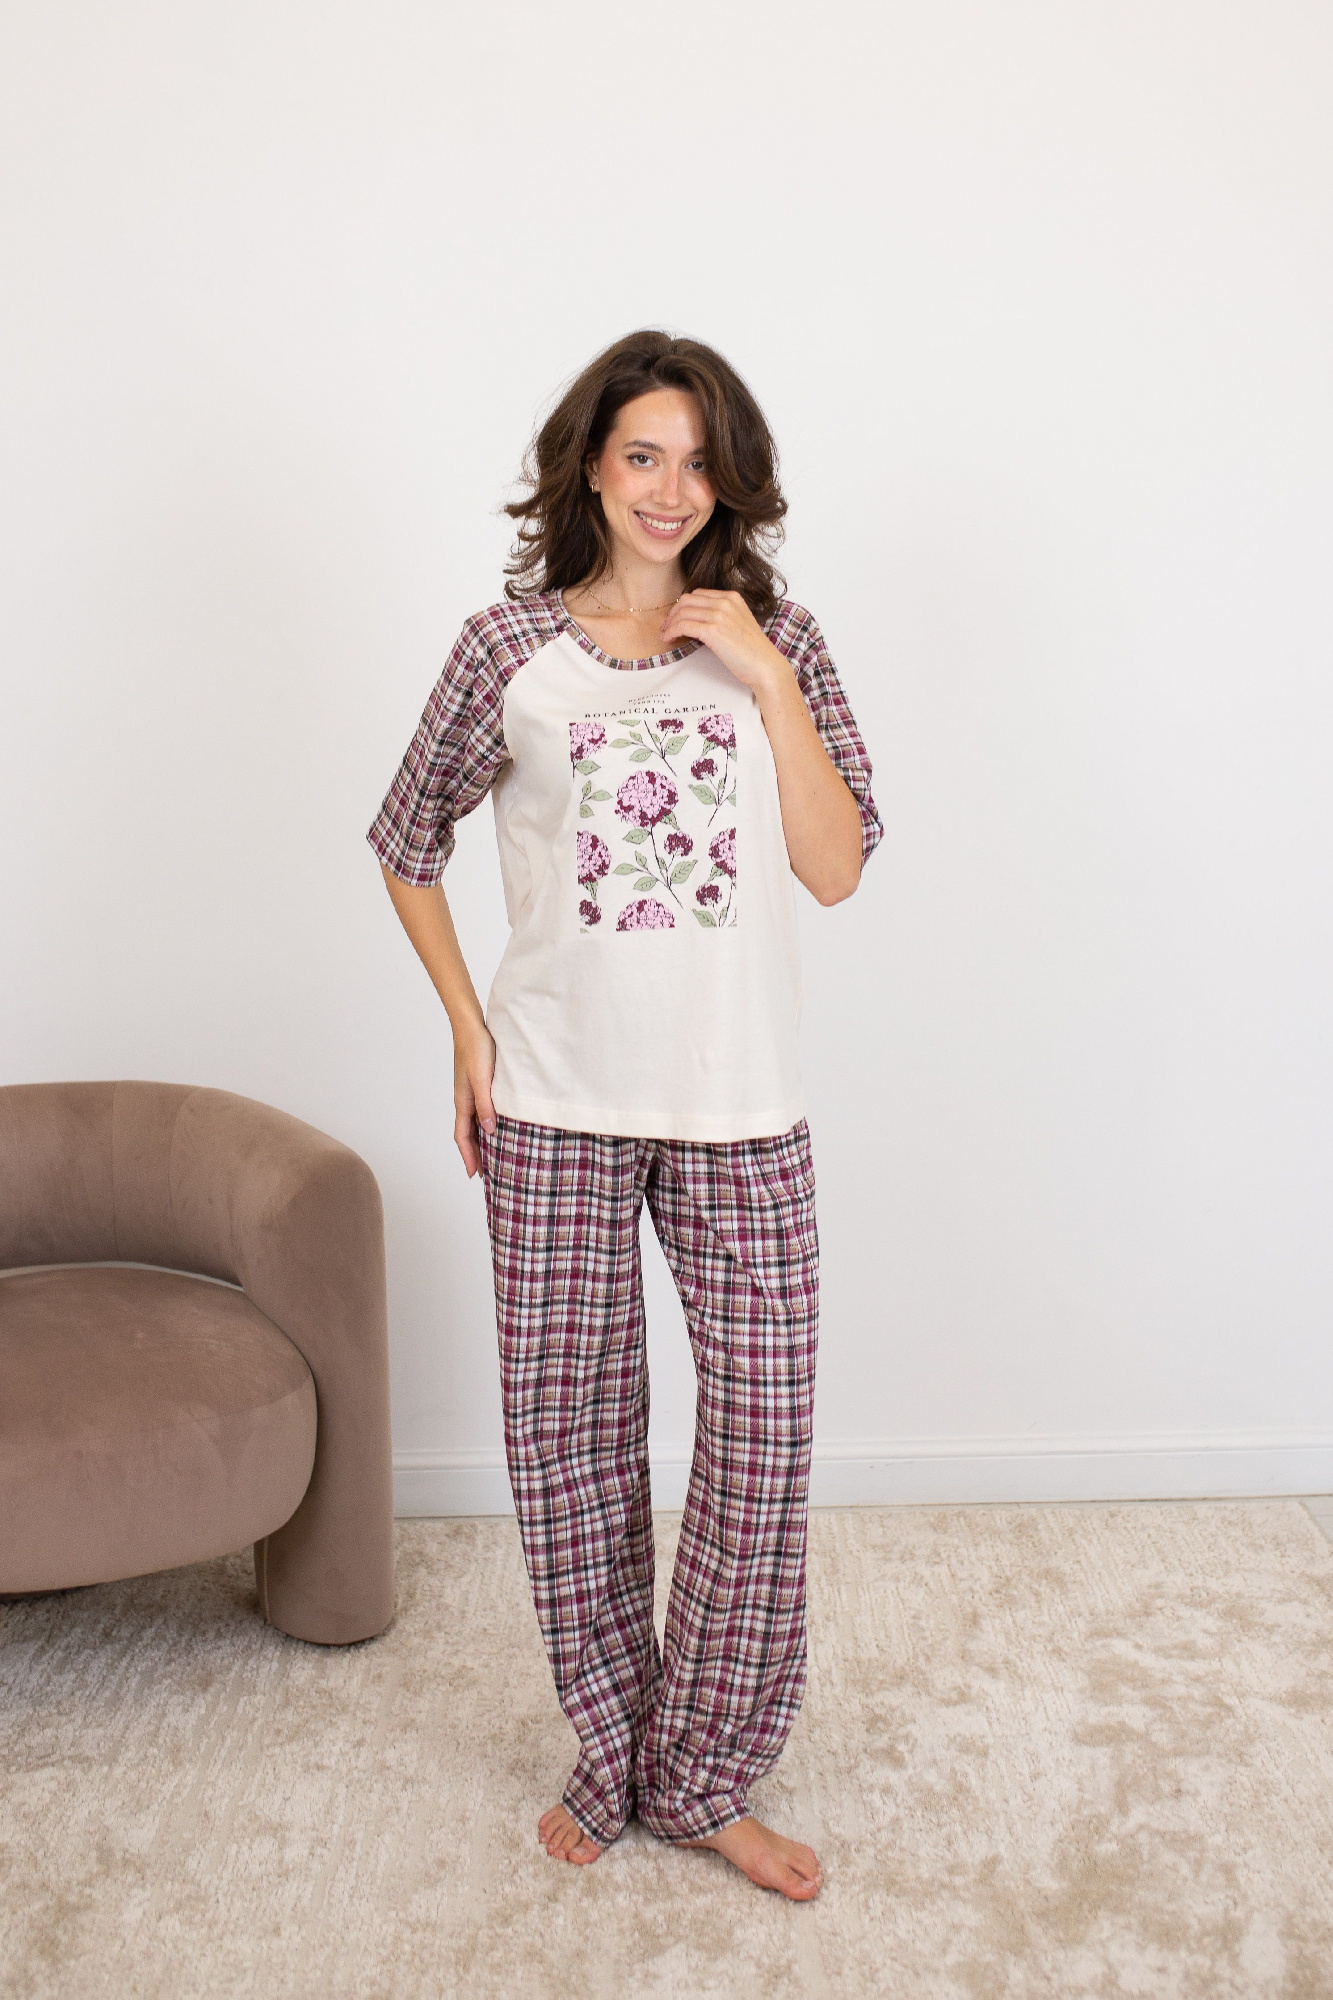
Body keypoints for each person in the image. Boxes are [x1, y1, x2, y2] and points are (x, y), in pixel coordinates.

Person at [368, 329, 883, 1901]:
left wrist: (767, 680)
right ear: (589, 464)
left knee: (760, 1437)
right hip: (554, 1101)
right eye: (643, 453)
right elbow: (403, 841)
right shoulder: (505, 650)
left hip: (740, 1103)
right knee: (573, 1445)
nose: (671, 488)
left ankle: (704, 1774)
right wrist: (468, 1034)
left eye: (699, 461)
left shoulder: (780, 642)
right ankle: (612, 1753)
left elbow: (834, 866)